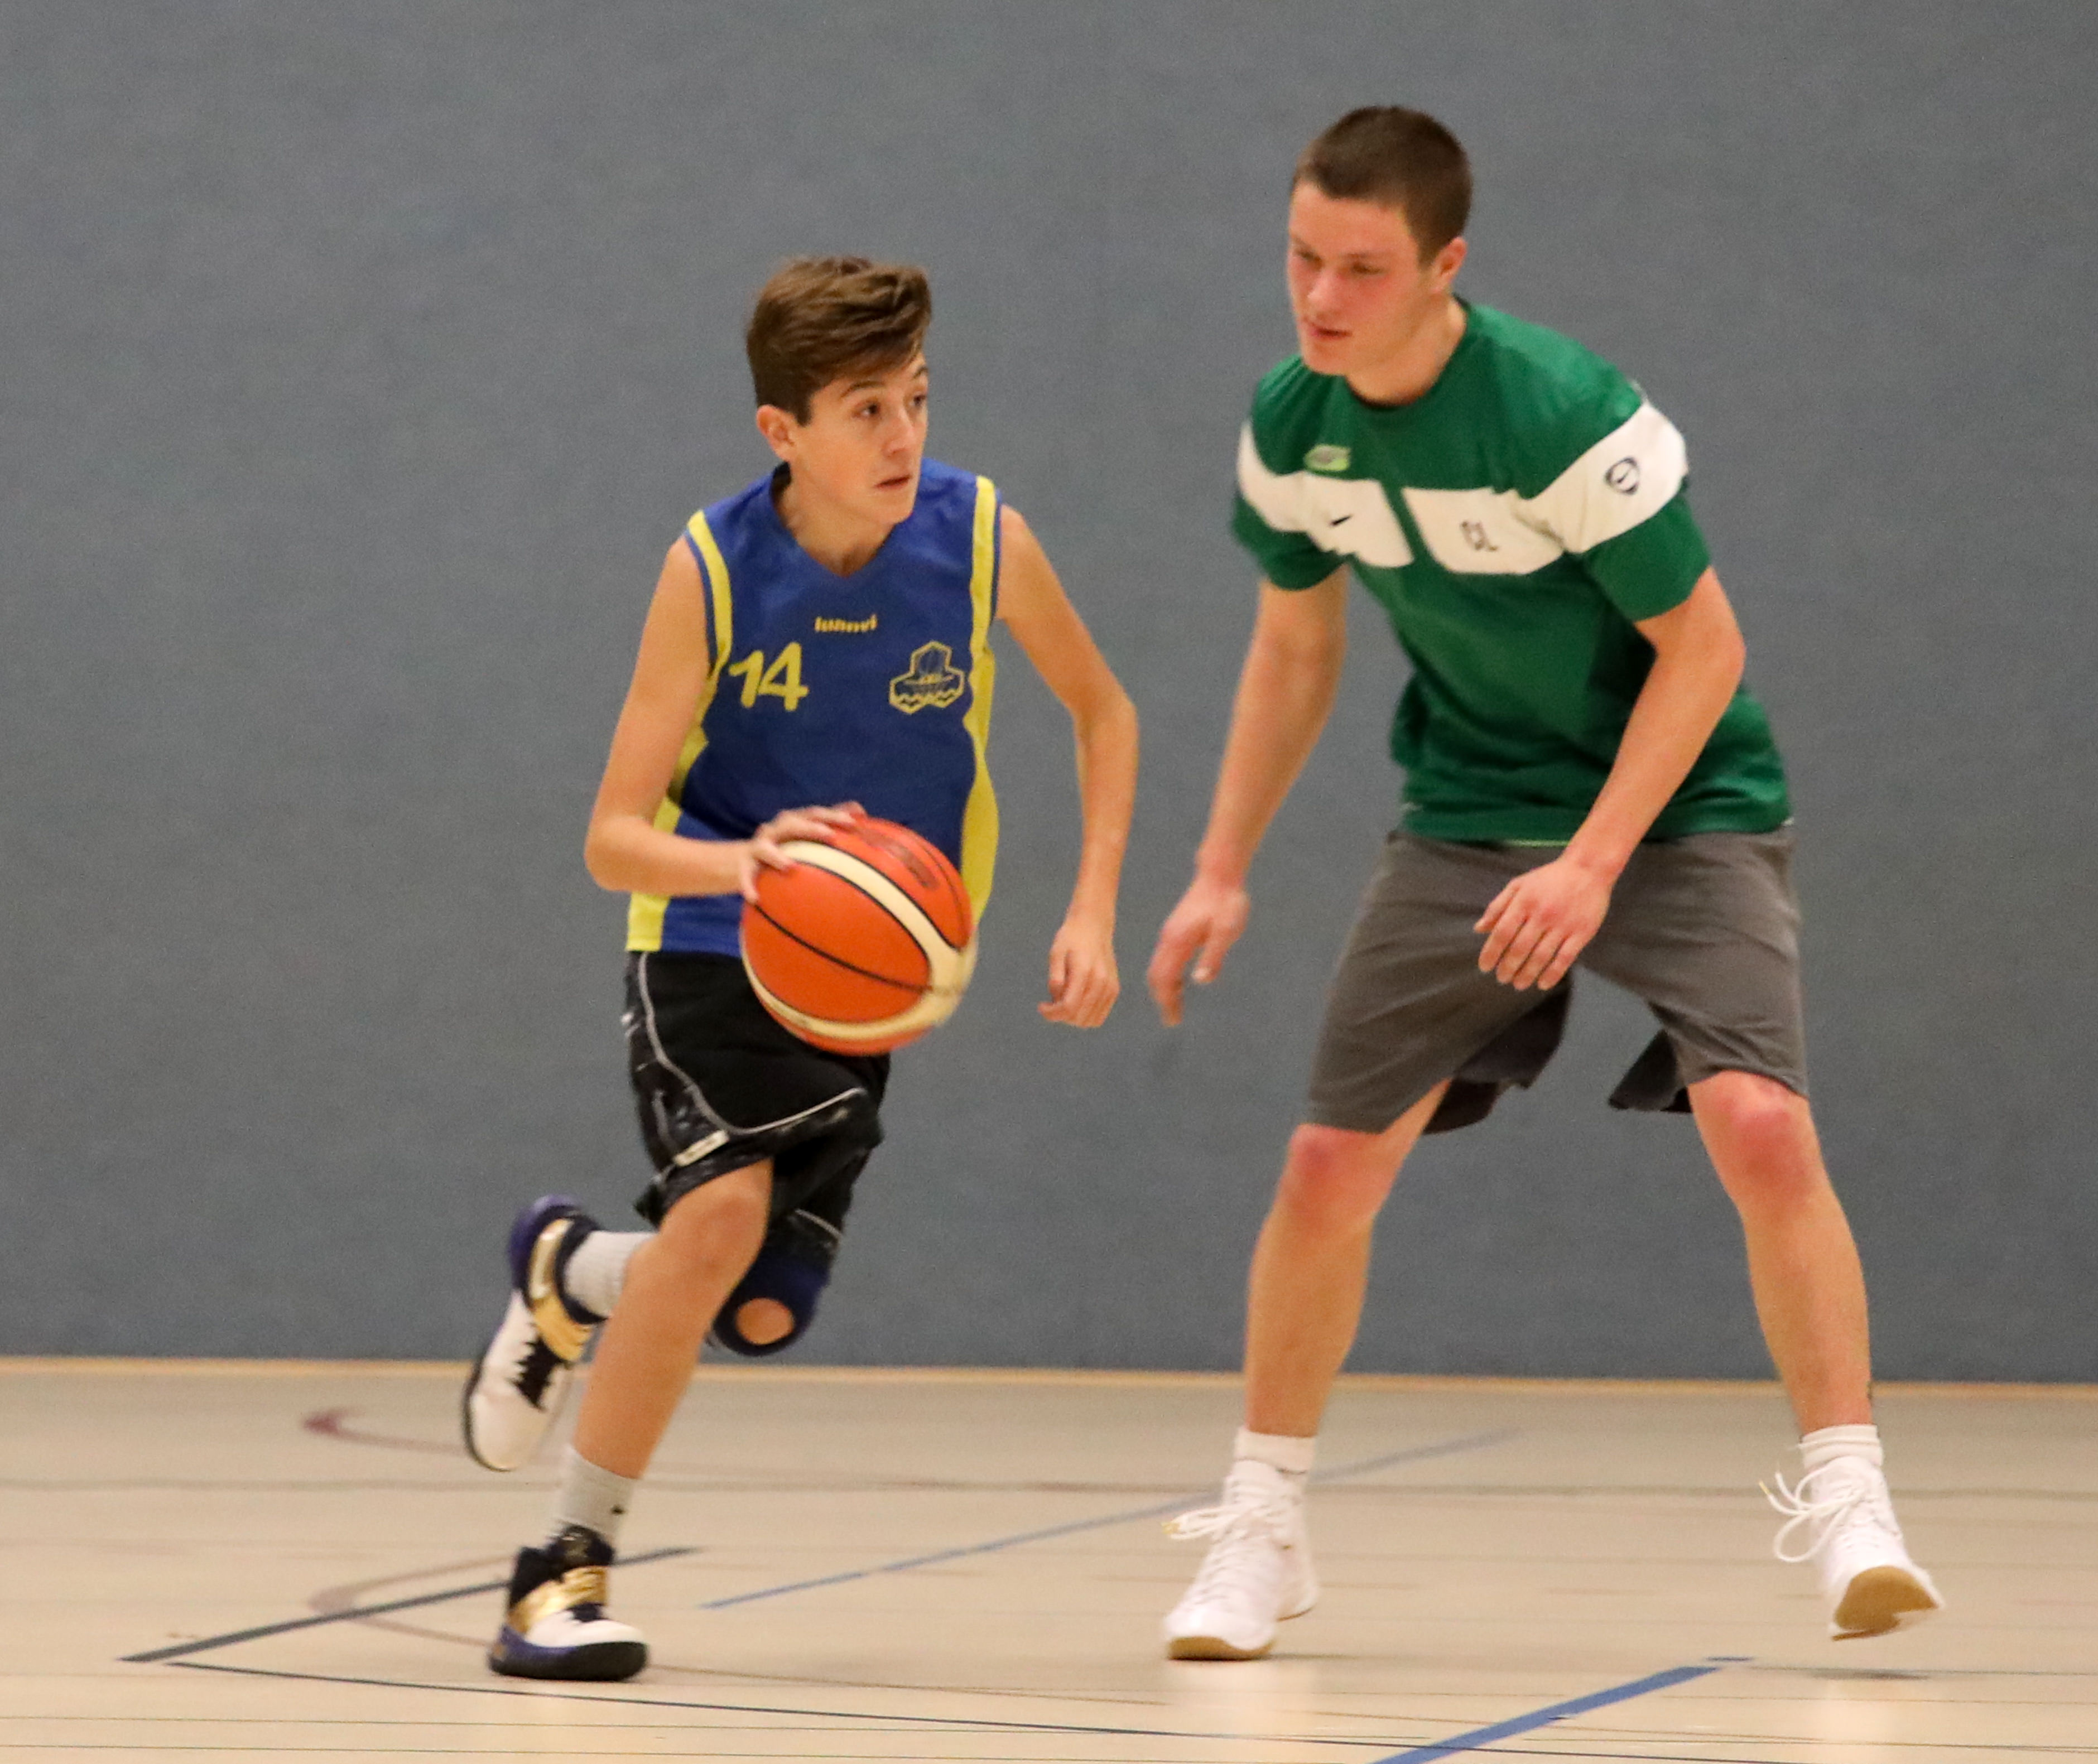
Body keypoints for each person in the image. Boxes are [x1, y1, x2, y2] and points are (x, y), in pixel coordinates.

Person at [1148, 108, 1940, 1660]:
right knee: (1326, 1167)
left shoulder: (1560, 413)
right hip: (1468, 812)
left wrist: (1593, 863)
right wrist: (1217, 867)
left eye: (1362, 269)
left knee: (1760, 1124)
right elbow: (1294, 649)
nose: (1320, 296)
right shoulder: (1293, 424)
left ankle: (1854, 1501)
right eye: (1302, 257)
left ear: (1444, 265)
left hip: (1681, 801)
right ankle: (1263, 1526)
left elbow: (1703, 650)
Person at [457, 256, 1138, 1681]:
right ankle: (557, 1576)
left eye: (918, 399)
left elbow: (1103, 711)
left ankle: (572, 1271)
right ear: (784, 431)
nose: (904, 437)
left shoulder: (981, 538)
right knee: (718, 1223)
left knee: (761, 1306)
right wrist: (748, 866)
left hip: (864, 969)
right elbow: (611, 839)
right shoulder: (708, 571)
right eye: (866, 410)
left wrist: (1090, 911)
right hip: (713, 933)